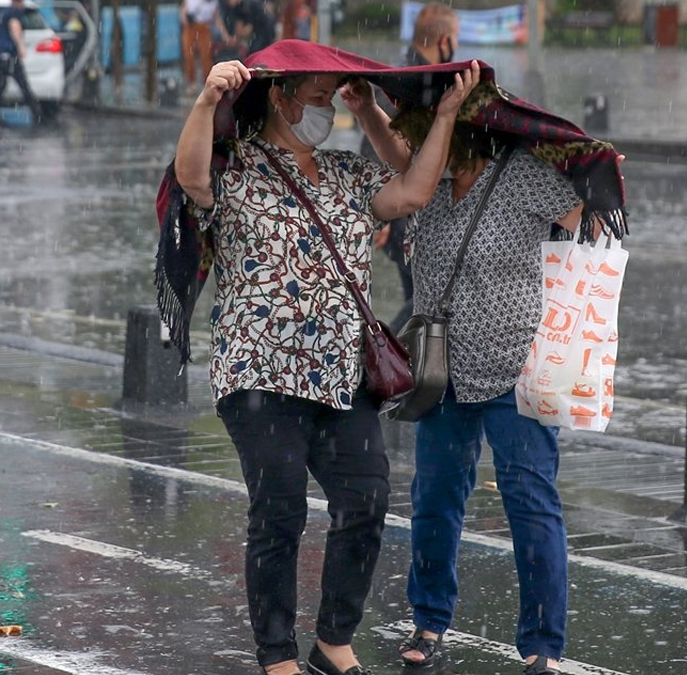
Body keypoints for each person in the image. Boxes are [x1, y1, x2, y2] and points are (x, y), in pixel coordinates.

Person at [170, 45, 479, 675]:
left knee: (366, 501)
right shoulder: (238, 168)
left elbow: (417, 188)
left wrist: (437, 113)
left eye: (331, 100)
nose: (325, 110)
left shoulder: (348, 172)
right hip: (259, 371)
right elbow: (191, 178)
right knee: (279, 506)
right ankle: (277, 653)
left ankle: (333, 639)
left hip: (341, 375)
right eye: (316, 98)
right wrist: (206, 100)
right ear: (279, 97)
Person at [352, 84, 625, 673]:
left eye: (425, 130)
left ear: (467, 131)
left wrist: (593, 171)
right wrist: (365, 109)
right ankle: (428, 622)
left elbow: (591, 220)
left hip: (516, 369)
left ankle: (542, 646)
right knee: (434, 500)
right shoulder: (434, 178)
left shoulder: (522, 176)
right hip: (441, 372)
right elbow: (396, 157)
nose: (417, 142)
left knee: (530, 503)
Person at [359, 2, 459, 332]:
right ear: (445, 39)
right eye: (455, 39)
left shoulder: (410, 75)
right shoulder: (409, 82)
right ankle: (390, 355)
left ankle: (401, 361)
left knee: (421, 296)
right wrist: (381, 217)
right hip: (404, 213)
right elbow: (375, 144)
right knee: (424, 299)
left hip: (410, 210)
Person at [0, 0, 42, 123]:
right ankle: (36, 112)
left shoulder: (4, 13)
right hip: (8, 53)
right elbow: (14, 26)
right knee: (21, 83)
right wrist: (21, 46)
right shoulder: (14, 13)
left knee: (2, 83)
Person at [180, 0, 217, 93]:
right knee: (188, 54)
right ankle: (192, 82)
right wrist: (184, 18)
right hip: (190, 26)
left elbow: (215, 14)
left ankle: (207, 82)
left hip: (204, 26)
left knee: (206, 55)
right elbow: (184, 8)